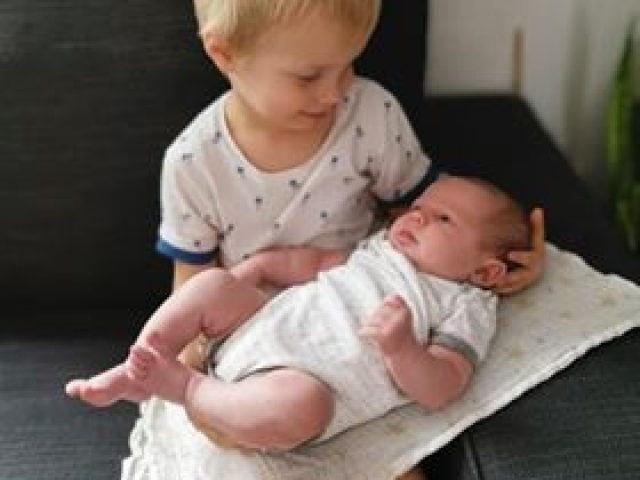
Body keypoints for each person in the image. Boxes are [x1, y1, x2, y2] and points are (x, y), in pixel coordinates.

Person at [147, 0, 544, 477]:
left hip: (359, 336)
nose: (336, 92)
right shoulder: (193, 163)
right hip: (253, 331)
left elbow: (432, 211)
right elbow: (192, 283)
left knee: (396, 468)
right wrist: (193, 371)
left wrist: (499, 256)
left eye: (348, 65)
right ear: (225, 54)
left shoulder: (371, 113)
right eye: (310, 76)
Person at [66, 176, 530, 452]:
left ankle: (185, 386)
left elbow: (443, 386)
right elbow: (313, 264)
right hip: (258, 324)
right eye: (419, 208)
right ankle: (142, 363)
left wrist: (403, 350)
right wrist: (260, 268)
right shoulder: (381, 248)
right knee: (211, 284)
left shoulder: (466, 305)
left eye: (444, 220)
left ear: (486, 271)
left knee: (303, 408)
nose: (417, 218)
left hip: (296, 382)